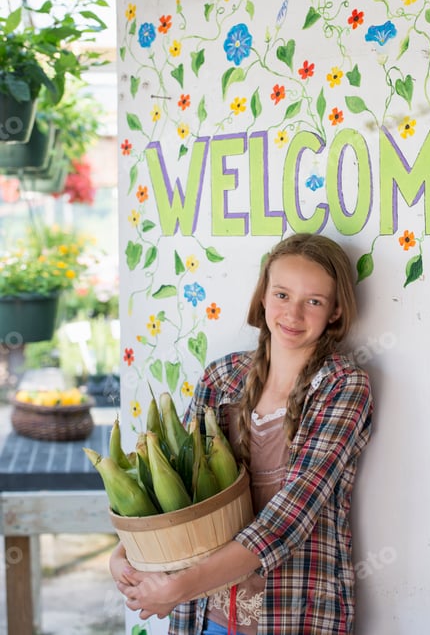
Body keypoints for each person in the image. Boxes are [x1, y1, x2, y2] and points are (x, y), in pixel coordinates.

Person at [111, 232, 373, 634]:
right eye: (282, 295)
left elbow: (291, 516)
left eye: (314, 302)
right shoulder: (221, 377)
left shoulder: (343, 387)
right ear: (263, 297)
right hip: (204, 615)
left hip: (294, 613)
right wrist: (126, 553)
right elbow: (173, 490)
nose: (293, 313)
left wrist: (179, 586)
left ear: (335, 312)